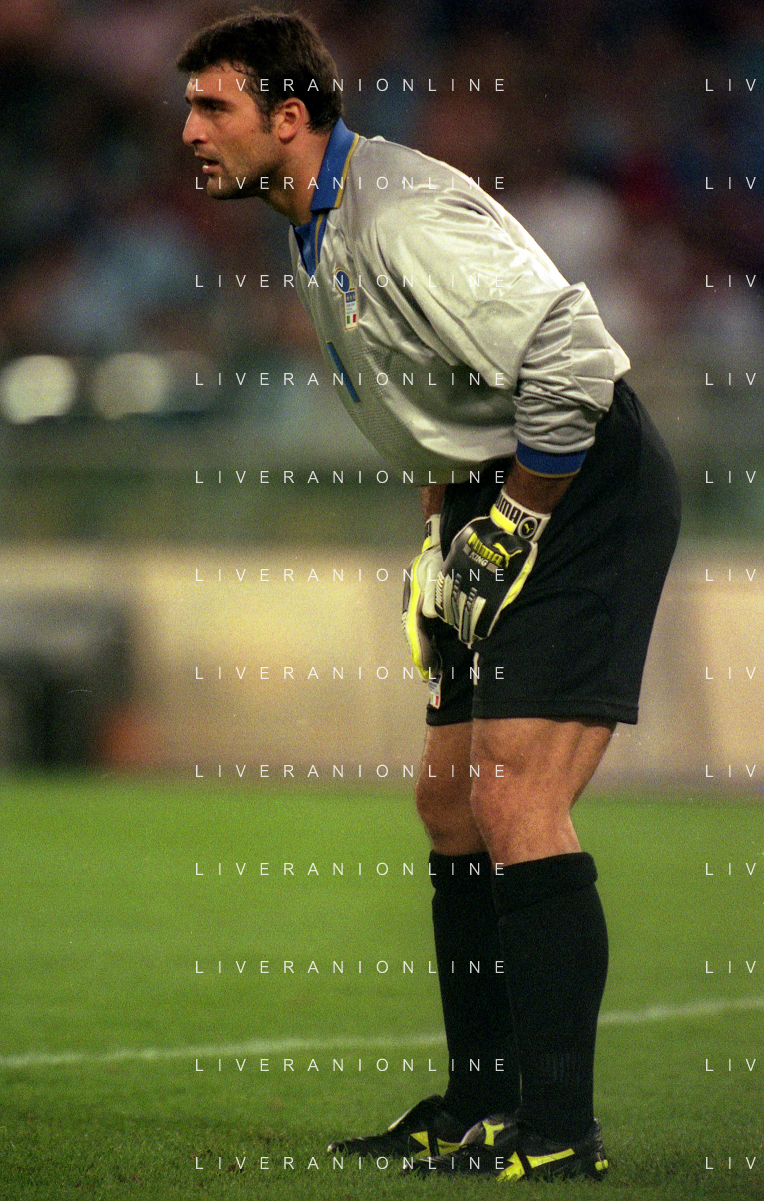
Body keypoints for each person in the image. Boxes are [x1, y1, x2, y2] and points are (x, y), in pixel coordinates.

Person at [177, 8, 681, 1183]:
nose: (188, 130)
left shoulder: (399, 213)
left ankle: (557, 1131)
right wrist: (437, 536)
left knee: (511, 792)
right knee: (449, 802)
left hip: (576, 481)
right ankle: (477, 1105)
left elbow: (570, 360)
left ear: (286, 118)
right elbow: (437, 392)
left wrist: (514, 524)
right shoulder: (316, 217)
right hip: (486, 489)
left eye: (211, 107)